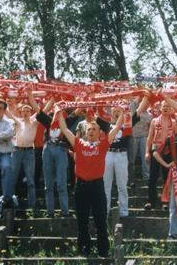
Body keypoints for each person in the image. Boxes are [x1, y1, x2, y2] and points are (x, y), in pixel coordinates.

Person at [56, 104, 123, 257]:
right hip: (81, 187)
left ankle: (103, 251)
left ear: (100, 132)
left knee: (100, 221)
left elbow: (118, 126)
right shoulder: (78, 144)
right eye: (89, 130)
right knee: (82, 221)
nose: (92, 131)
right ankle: (84, 251)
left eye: (94, 129)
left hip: (97, 186)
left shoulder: (103, 144)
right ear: (85, 133)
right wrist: (59, 113)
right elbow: (65, 129)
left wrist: (121, 110)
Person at [30, 93, 71, 218]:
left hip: (61, 150)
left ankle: (65, 212)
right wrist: (29, 94)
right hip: (47, 149)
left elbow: (79, 109)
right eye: (56, 110)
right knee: (48, 184)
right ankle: (50, 212)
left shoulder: (67, 121)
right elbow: (37, 109)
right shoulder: (49, 121)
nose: (57, 112)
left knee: (61, 183)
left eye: (60, 110)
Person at [6, 99, 38, 211]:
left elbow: (43, 110)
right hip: (17, 151)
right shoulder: (18, 121)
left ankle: (32, 205)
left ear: (31, 112)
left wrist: (53, 98)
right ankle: (10, 203)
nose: (25, 112)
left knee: (30, 180)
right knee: (13, 177)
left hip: (29, 151)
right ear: (21, 112)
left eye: (28, 111)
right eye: (23, 111)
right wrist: (0, 98)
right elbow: (7, 113)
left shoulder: (34, 121)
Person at [145, 101, 175, 210]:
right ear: (160, 108)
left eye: (168, 106)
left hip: (168, 152)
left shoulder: (174, 122)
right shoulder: (154, 121)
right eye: (164, 106)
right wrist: (147, 152)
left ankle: (165, 201)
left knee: (167, 178)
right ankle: (150, 201)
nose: (166, 108)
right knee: (153, 177)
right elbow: (149, 137)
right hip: (156, 150)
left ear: (171, 109)